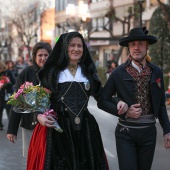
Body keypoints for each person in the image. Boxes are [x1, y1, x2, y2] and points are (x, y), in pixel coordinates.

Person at [27, 32, 128, 170]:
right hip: (59, 129)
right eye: (72, 45)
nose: (76, 49)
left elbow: (102, 96)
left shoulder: (87, 72)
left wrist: (118, 102)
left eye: (79, 46)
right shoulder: (53, 73)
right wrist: (39, 116)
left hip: (86, 129)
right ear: (65, 48)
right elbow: (40, 101)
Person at [98, 27, 170, 170]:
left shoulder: (156, 72)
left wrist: (167, 131)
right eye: (132, 44)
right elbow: (102, 101)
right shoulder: (118, 72)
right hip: (126, 133)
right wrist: (125, 112)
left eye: (140, 43)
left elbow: (161, 105)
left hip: (149, 133)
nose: (136, 48)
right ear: (129, 48)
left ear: (147, 46)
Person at [7, 42, 52, 157]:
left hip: (51, 123)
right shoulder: (26, 73)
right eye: (40, 55)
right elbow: (17, 101)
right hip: (29, 123)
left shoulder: (55, 73)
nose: (43, 58)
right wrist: (12, 129)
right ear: (34, 57)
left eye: (46, 55)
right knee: (32, 157)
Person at [0, 61, 16, 129]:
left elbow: (13, 81)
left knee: (9, 110)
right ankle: (0, 125)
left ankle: (11, 126)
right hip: (0, 94)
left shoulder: (7, 72)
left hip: (7, 93)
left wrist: (6, 83)